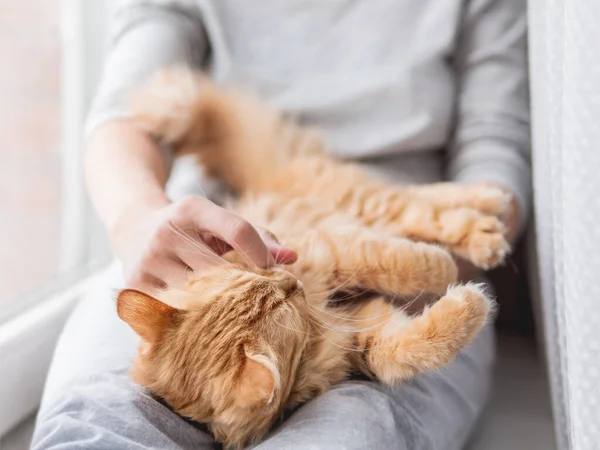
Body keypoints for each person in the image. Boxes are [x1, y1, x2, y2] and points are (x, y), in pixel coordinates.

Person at [31, 0, 530, 449]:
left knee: (351, 430)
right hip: (206, 243)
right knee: (98, 422)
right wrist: (137, 218)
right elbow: (128, 109)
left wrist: (421, 244)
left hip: (405, 220)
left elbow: (496, 148)